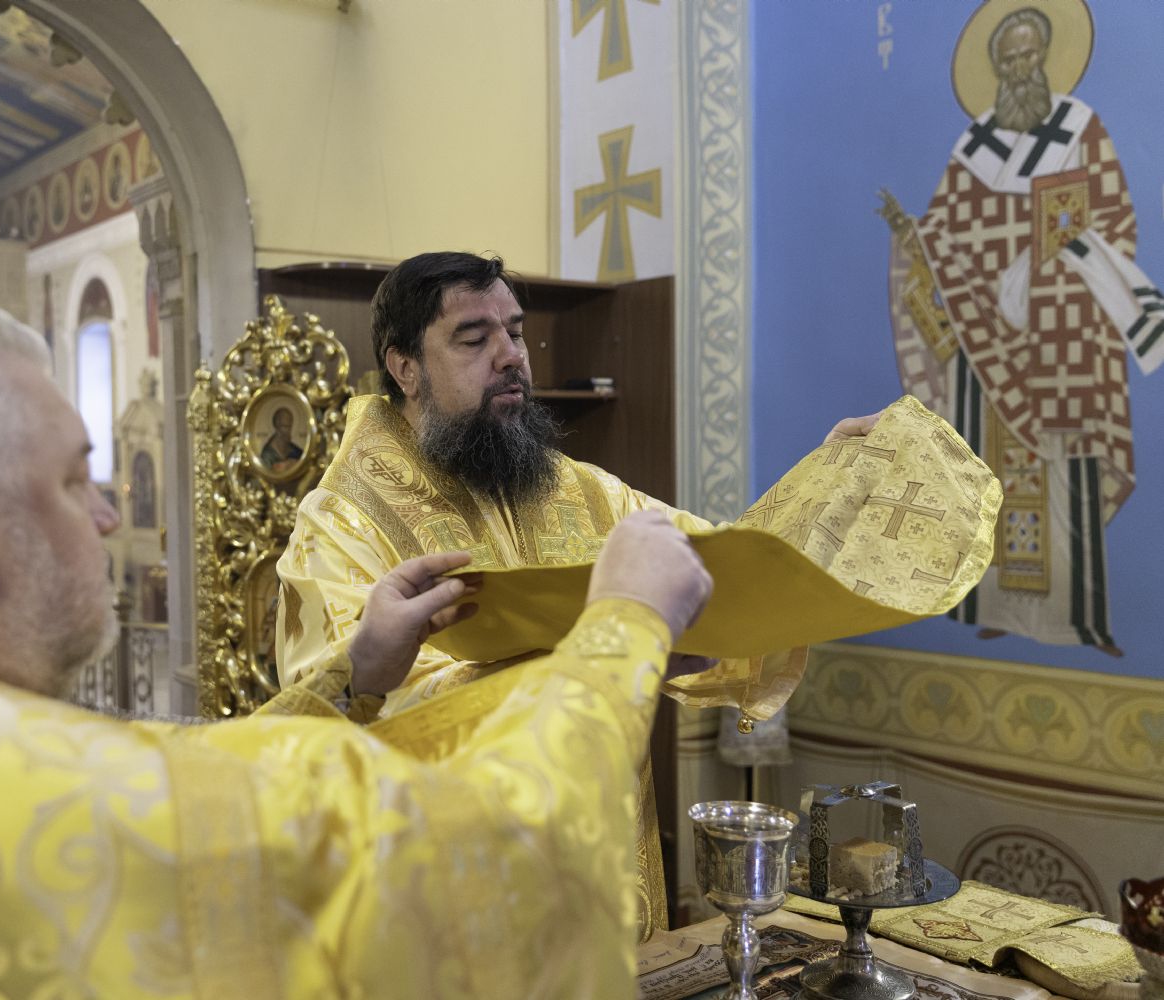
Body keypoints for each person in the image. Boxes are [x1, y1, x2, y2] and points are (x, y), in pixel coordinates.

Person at [0, 303, 715, 998]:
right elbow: (488, 855)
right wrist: (626, 623)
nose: (109, 514)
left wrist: (352, 678)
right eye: (75, 479)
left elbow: (173, 768)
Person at [274, 250, 879, 937]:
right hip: (456, 895)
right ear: (405, 367)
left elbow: (716, 568)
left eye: (515, 331)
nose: (511, 355)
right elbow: (351, 714)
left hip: (598, 866)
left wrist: (825, 490)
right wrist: (604, 658)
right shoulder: (343, 522)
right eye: (473, 339)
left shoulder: (579, 490)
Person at [880, 4, 1161, 654]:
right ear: (995, 68)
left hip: (1066, 335)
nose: (1019, 69)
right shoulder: (974, 147)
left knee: (1066, 466)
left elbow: (1115, 221)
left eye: (1029, 56)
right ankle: (999, 607)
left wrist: (1050, 269)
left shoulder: (1081, 129)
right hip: (986, 347)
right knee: (992, 470)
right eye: (1007, 60)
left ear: (1048, 56)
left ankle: (1076, 617)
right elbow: (944, 230)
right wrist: (912, 236)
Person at [260, 404, 304, 473]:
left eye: (289, 426)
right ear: (277, 427)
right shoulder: (267, 454)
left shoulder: (296, 451)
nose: (288, 431)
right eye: (285, 426)